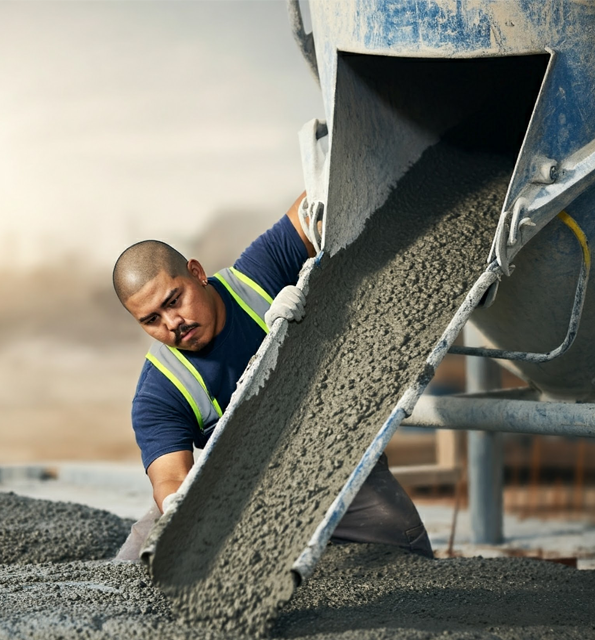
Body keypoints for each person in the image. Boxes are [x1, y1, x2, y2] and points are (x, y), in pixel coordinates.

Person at [112, 194, 433, 560]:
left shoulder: (258, 276)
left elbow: (322, 198)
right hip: (237, 490)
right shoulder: (160, 391)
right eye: (151, 320)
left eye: (173, 301)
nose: (172, 323)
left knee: (407, 558)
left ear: (197, 274)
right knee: (138, 570)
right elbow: (169, 477)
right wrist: (182, 510)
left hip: (330, 458)